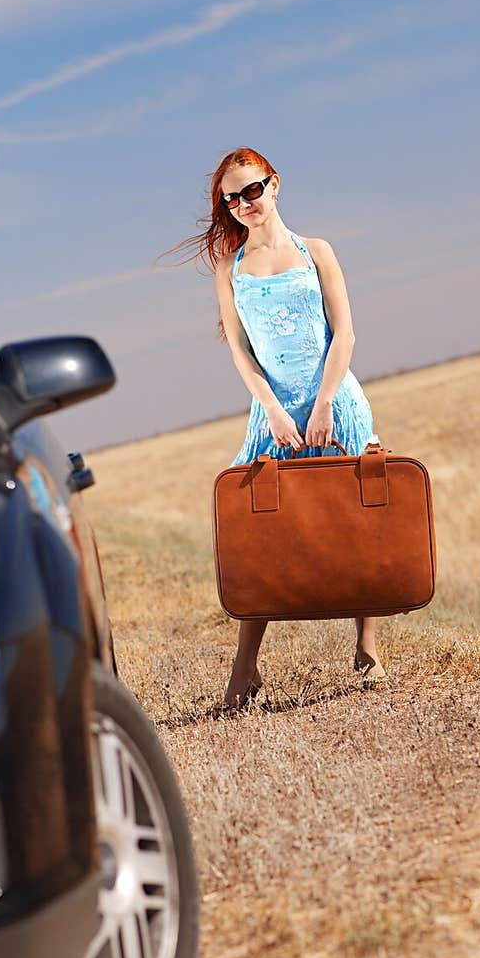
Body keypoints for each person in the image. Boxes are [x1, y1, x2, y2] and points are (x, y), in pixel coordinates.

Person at [174, 146, 387, 710]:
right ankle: (246, 668)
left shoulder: (317, 252)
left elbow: (344, 336)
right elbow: (242, 356)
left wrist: (322, 406)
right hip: (272, 414)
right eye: (232, 197)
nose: (245, 203)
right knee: (263, 538)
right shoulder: (230, 270)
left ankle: (366, 648)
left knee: (355, 520)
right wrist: (272, 409)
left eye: (253, 190)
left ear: (275, 185)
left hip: (333, 403)